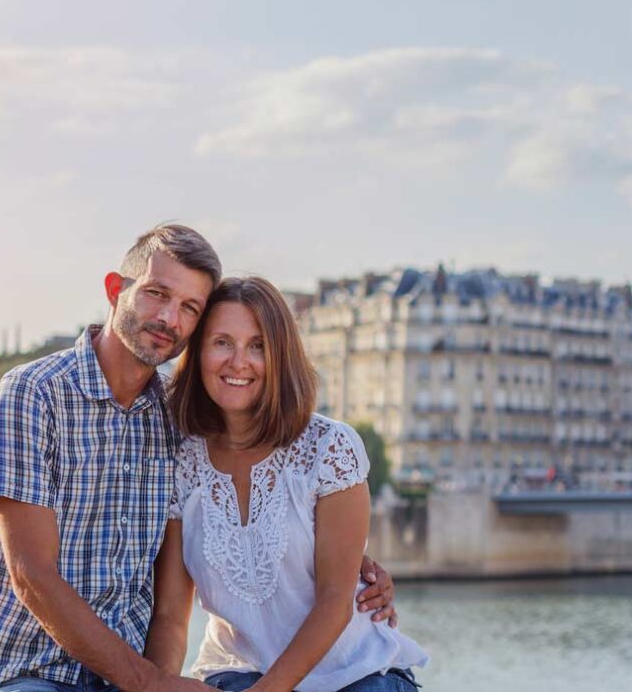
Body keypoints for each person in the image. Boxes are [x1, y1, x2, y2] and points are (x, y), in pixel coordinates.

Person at [0, 224, 398, 692]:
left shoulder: (176, 419)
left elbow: (262, 515)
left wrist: (346, 554)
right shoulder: (30, 396)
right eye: (156, 294)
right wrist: (149, 683)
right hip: (32, 672)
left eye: (189, 307)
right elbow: (31, 575)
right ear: (115, 290)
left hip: (131, 675)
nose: (169, 317)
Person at [144, 278, 428, 692]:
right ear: (199, 353)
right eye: (222, 342)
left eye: (258, 346)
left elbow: (335, 604)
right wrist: (160, 685)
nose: (239, 362)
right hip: (236, 672)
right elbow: (171, 615)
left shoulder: (329, 447)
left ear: (281, 356)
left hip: (355, 675)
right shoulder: (181, 462)